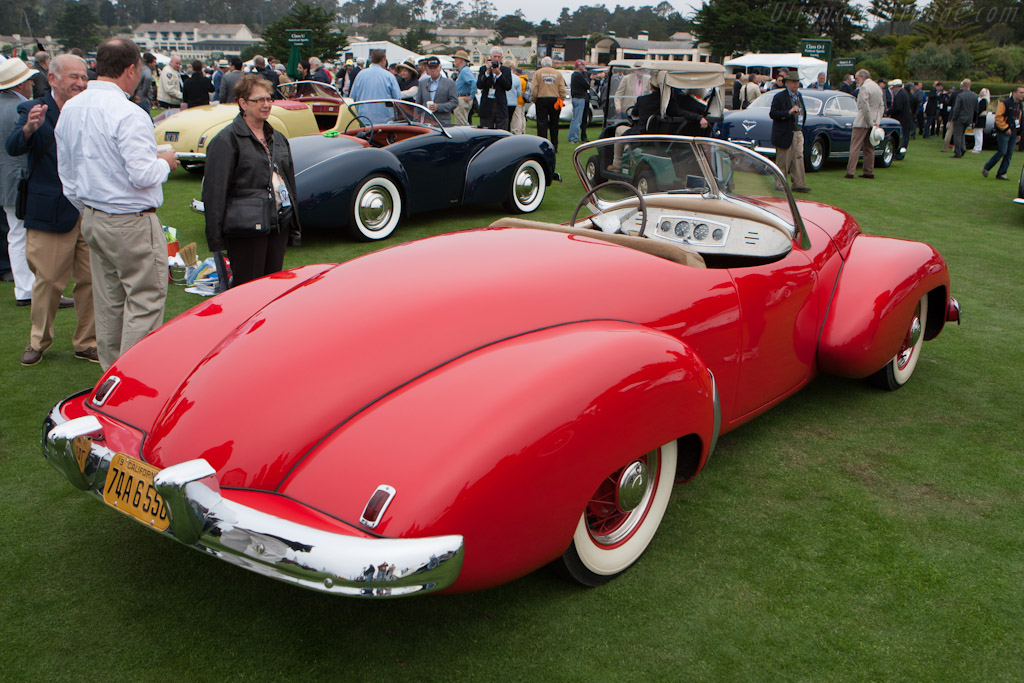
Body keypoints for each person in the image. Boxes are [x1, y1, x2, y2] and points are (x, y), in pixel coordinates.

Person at [55, 38, 179, 370]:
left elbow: (66, 173)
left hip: (94, 216)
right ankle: (130, 380)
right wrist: (166, 162)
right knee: (145, 300)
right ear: (131, 69)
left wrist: (89, 210)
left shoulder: (72, 107)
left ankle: (111, 376)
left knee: (109, 302)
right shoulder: (128, 112)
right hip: (129, 219)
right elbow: (142, 174)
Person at [6, 54, 95, 366]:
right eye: (74, 77)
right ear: (53, 78)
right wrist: (30, 129)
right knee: (48, 282)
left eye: (84, 77)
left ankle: (87, 342)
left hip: (88, 208)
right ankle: (38, 341)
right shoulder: (32, 109)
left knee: (91, 280)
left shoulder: (90, 109)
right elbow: (14, 145)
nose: (81, 83)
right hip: (50, 211)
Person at [202, 74, 299, 288]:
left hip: (277, 224)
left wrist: (292, 222)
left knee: (273, 287)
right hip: (245, 228)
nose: (266, 105)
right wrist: (216, 239)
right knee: (248, 289)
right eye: (259, 100)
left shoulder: (278, 137)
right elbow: (214, 191)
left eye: (269, 99)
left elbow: (289, 180)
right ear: (243, 103)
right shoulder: (226, 140)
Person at [0, 58, 39, 306]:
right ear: (22, 84)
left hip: (6, 179)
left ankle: (25, 288)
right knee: (25, 234)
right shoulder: (24, 107)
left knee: (15, 234)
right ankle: (28, 289)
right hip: (20, 179)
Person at [770, 73, 811, 193]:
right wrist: (788, 112)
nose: (795, 84)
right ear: (787, 83)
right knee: (783, 161)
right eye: (793, 82)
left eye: (797, 82)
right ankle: (780, 184)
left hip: (798, 132)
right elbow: (773, 114)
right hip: (785, 133)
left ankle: (799, 184)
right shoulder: (780, 97)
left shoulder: (799, 96)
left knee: (798, 158)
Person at [845, 69, 884, 179]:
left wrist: (870, 121)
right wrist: (877, 122)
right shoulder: (877, 87)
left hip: (862, 121)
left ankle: (850, 171)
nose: (856, 81)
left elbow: (864, 106)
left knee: (855, 146)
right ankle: (868, 171)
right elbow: (881, 106)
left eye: (857, 79)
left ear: (863, 77)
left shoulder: (864, 88)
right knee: (869, 147)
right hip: (874, 121)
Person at [982, 85, 1023, 180]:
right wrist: (1005, 128)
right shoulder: (1005, 103)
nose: (1022, 95)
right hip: (1003, 131)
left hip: (1014, 132)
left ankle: (1002, 173)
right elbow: (998, 117)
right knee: (1002, 151)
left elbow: (1020, 119)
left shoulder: (1019, 105)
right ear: (1014, 93)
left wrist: (1019, 133)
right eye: (1021, 92)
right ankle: (987, 167)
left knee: (1009, 153)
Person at [350, 49, 401, 124]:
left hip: (364, 119)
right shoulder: (389, 76)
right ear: (383, 60)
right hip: (384, 120)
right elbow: (397, 99)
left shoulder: (360, 75)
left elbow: (352, 98)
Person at [531, 56, 564, 149]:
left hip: (542, 98)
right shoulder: (558, 74)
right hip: (555, 98)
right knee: (554, 123)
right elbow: (562, 88)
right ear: (551, 64)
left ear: (542, 64)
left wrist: (534, 99)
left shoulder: (538, 73)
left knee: (542, 123)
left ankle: (543, 145)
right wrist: (562, 98)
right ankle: (554, 145)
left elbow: (534, 88)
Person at [415, 56, 457, 125]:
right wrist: (416, 120)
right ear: (427, 69)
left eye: (435, 68)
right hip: (427, 122)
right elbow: (418, 104)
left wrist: (438, 107)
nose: (433, 70)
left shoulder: (449, 83)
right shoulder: (422, 83)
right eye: (430, 68)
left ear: (440, 68)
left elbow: (454, 102)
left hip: (443, 122)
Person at [478, 47, 513, 130]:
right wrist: (487, 72)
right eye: (495, 57)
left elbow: (508, 86)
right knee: (486, 131)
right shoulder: (483, 69)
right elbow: (479, 85)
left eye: (499, 57)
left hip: (500, 105)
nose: (497, 59)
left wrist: (499, 74)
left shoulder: (506, 70)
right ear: (490, 57)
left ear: (501, 58)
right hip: (487, 105)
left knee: (502, 131)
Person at [949, 78, 977, 158]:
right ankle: (963, 148)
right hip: (969, 118)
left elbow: (956, 108)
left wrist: (953, 117)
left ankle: (958, 152)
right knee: (962, 134)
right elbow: (976, 109)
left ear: (963, 85)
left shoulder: (960, 96)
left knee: (957, 135)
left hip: (960, 118)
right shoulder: (974, 96)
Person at [888, 79, 912, 160]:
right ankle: (899, 154)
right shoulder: (903, 93)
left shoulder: (901, 94)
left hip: (902, 119)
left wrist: (889, 111)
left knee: (903, 137)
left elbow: (898, 108)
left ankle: (899, 155)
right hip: (904, 118)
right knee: (904, 136)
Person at [568, 59, 590, 144]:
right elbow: (587, 85)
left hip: (575, 98)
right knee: (577, 120)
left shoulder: (574, 75)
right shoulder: (578, 75)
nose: (584, 66)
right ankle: (574, 138)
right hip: (580, 98)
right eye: (583, 65)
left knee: (574, 119)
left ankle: (571, 137)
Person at [452, 50, 476, 126]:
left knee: (462, 123)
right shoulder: (463, 71)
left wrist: (471, 96)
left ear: (461, 60)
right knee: (461, 122)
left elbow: (473, 82)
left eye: (456, 59)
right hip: (462, 98)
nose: (454, 60)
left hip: (463, 99)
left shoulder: (464, 71)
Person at [512, 66, 529, 135]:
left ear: (516, 72)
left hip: (518, 99)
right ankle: (522, 129)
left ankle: (517, 130)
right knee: (522, 116)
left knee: (517, 116)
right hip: (523, 100)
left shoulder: (519, 80)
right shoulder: (525, 79)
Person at [973, 87, 991, 153]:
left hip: (980, 119)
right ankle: (976, 146)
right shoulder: (979, 99)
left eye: (983, 92)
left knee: (979, 133)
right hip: (978, 118)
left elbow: (980, 109)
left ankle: (978, 147)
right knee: (976, 133)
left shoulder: (984, 100)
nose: (981, 93)